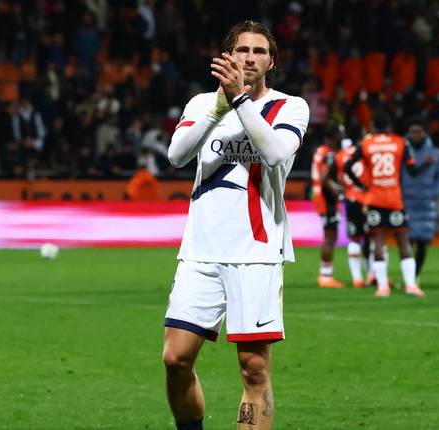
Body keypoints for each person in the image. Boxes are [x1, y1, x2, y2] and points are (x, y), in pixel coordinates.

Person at [162, 20, 309, 430]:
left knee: (254, 369)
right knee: (175, 360)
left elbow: (276, 153)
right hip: (201, 252)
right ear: (228, 55)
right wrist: (219, 106)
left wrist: (240, 100)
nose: (250, 57)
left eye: (260, 51)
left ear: (272, 62)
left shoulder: (290, 107)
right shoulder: (201, 104)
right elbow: (176, 156)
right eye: (242, 49)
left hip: (256, 253)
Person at [344, 110, 431, 298]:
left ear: (373, 126)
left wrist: (362, 185)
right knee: (403, 241)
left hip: (375, 198)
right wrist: (426, 164)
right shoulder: (400, 143)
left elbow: (348, 166)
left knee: (378, 242)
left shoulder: (366, 144)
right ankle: (411, 285)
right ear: (389, 126)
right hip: (394, 199)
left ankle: (383, 287)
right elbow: (413, 171)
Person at [400, 116, 439, 280]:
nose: (415, 135)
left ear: (425, 133)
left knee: (422, 243)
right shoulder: (401, 152)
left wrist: (433, 193)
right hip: (406, 203)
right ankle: (410, 276)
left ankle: (415, 275)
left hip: (426, 204)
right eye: (412, 131)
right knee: (406, 241)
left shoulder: (436, 154)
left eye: (419, 131)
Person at [310, 123, 346, 288]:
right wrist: (339, 191)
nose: (343, 135)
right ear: (334, 135)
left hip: (321, 198)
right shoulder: (330, 154)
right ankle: (325, 276)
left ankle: (325, 275)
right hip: (327, 200)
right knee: (330, 237)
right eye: (340, 132)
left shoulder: (320, 150)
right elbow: (325, 178)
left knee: (330, 236)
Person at [335, 137, 370, 288]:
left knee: (355, 239)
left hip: (351, 199)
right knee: (374, 237)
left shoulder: (340, 155)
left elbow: (337, 177)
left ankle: (357, 278)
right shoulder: (367, 150)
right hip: (368, 199)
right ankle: (373, 275)